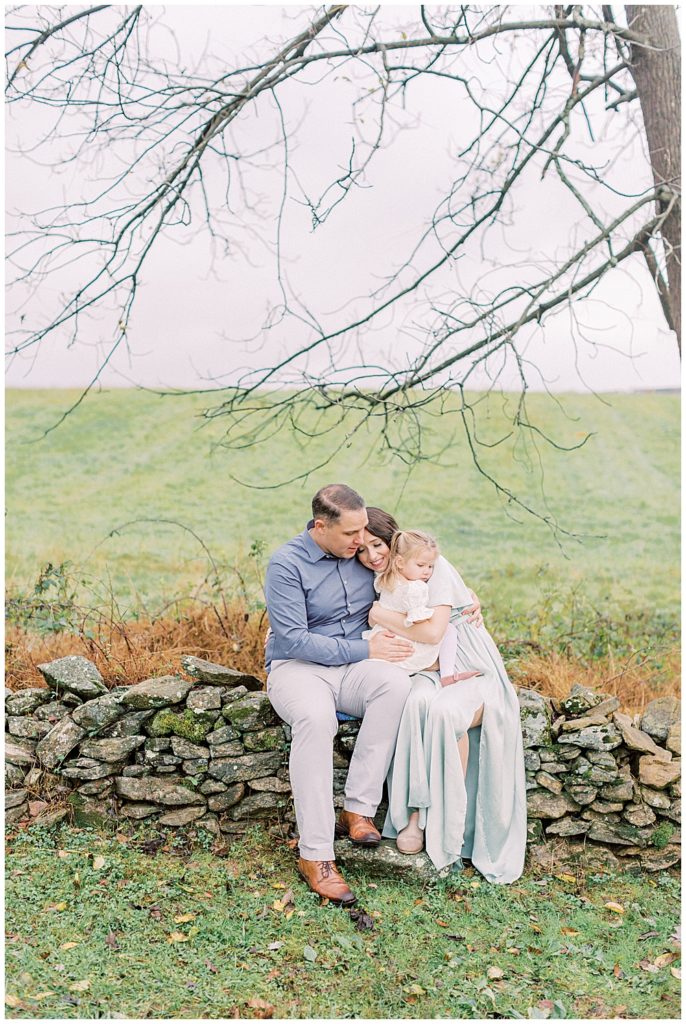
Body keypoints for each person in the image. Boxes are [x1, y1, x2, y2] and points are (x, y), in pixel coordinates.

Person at [356, 507, 527, 882]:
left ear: (395, 543)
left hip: (468, 666)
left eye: (377, 544)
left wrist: (377, 615)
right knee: (413, 703)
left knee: (444, 714)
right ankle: (411, 817)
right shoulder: (384, 576)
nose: (371, 555)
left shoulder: (430, 567)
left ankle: (444, 824)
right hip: (426, 668)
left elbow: (434, 633)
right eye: (362, 548)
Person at [264, 484, 414, 907]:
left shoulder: (364, 555)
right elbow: (294, 640)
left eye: (365, 530)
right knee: (315, 718)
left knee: (395, 684)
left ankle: (358, 809)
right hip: (297, 670)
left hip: (352, 669)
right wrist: (366, 649)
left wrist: (463, 600)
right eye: (351, 534)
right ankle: (316, 856)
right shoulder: (286, 564)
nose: (362, 541)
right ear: (320, 526)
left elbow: (425, 570)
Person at [363, 529, 480, 686]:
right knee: (449, 629)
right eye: (421, 566)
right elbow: (418, 619)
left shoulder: (385, 579)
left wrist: (465, 593)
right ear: (399, 562)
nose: (427, 572)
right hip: (406, 642)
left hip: (385, 634)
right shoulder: (415, 588)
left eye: (430, 566)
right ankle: (447, 674)